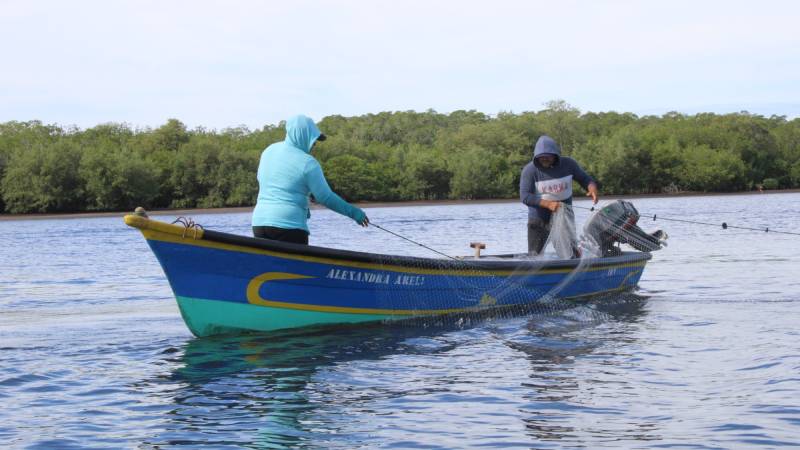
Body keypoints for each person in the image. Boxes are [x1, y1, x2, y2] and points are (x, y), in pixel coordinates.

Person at [252, 114, 368, 244]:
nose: (314, 144)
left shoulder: (268, 151)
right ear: (303, 135)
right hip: (290, 227)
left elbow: (262, 179)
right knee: (295, 265)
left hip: (259, 223)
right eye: (313, 139)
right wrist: (354, 213)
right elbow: (325, 197)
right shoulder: (309, 163)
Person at [519, 135, 599, 257]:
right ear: (536, 156)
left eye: (548, 156)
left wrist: (592, 188)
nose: (545, 159)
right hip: (539, 219)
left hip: (564, 217)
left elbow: (585, 179)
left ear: (555, 155)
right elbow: (525, 196)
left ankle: (573, 271)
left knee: (569, 254)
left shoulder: (569, 164)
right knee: (534, 256)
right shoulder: (530, 170)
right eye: (541, 157)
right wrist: (548, 204)